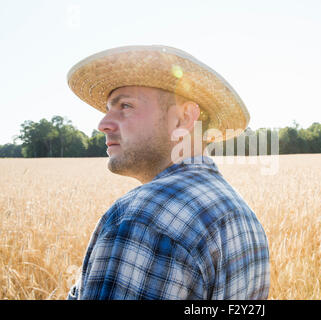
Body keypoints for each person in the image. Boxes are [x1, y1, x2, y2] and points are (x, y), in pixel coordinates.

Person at [66, 45, 270, 299]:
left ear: (183, 119)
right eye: (108, 109)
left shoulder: (140, 219)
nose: (103, 124)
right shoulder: (241, 214)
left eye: (125, 106)